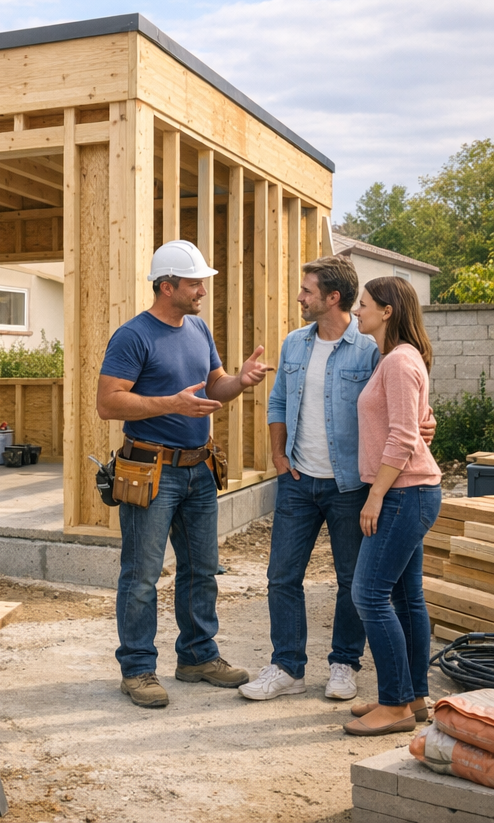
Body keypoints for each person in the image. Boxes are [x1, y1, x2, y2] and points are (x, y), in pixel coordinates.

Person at [96, 239, 273, 709]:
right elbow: (108, 402)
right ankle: (137, 669)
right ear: (166, 285)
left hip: (198, 469)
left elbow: (215, 386)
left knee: (201, 570)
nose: (202, 290)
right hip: (152, 470)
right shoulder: (132, 336)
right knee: (141, 576)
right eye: (194, 283)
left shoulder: (197, 328)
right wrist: (169, 403)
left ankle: (197, 656)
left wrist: (240, 380)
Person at [240, 257, 378, 703]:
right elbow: (278, 401)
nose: (299, 297)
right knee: (282, 577)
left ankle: (343, 663)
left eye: (306, 290)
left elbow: (394, 401)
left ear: (332, 297)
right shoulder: (295, 343)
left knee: (350, 579)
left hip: (349, 484)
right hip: (298, 481)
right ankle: (287, 667)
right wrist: (278, 455)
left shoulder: (369, 349)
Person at [343, 277, 442, 736]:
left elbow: (404, 436)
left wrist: (376, 495)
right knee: (405, 598)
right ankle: (415, 696)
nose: (356, 311)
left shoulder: (400, 361)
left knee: (368, 595)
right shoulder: (397, 360)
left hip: (404, 493)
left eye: (362, 305)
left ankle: (396, 703)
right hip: (410, 490)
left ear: (386, 311)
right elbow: (415, 423)